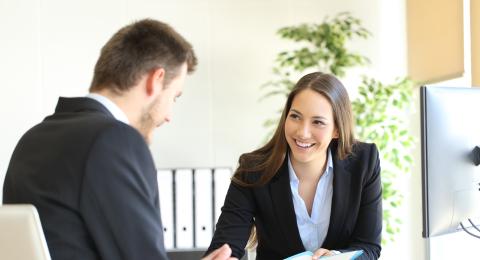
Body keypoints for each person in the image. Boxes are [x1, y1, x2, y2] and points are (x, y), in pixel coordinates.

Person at [3, 19, 234, 260]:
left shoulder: (32, 139)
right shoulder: (114, 141)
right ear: (156, 79)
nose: (168, 116)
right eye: (174, 97)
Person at [205, 72, 382, 260]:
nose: (303, 133)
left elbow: (369, 247)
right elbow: (225, 247)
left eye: (318, 122)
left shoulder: (364, 162)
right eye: (295, 116)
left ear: (337, 129)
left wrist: (337, 256)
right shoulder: (253, 170)